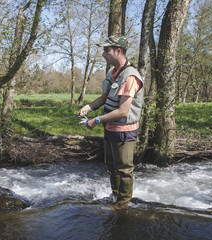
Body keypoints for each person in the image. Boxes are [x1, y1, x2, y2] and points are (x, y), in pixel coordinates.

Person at [78, 35, 144, 208]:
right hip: (111, 129)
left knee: (124, 169)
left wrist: (97, 120)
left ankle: (122, 206)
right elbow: (104, 98)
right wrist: (88, 107)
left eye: (107, 50)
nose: (103, 54)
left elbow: (123, 111)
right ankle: (116, 198)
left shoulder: (130, 77)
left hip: (124, 131)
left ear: (118, 51)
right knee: (111, 166)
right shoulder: (112, 72)